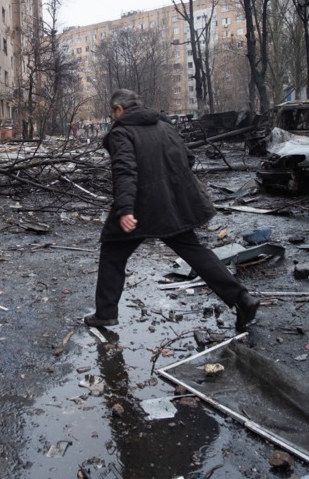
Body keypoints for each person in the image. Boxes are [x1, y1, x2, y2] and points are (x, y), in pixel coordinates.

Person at [84, 89, 259, 332]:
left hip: (141, 207)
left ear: (119, 109)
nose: (113, 117)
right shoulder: (164, 126)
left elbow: (125, 171)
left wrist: (125, 209)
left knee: (112, 254)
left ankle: (105, 314)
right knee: (194, 251)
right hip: (173, 203)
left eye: (113, 112)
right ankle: (242, 299)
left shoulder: (121, 132)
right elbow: (188, 159)